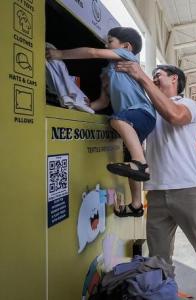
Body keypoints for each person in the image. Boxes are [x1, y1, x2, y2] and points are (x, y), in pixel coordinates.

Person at [115, 62, 196, 276]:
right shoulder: (147, 109)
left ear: (174, 79)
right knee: (157, 261)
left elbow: (175, 117)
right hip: (156, 192)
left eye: (158, 74)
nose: (153, 77)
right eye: (151, 74)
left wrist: (141, 77)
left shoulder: (186, 103)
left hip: (187, 190)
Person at [46, 27, 156, 218]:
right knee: (131, 157)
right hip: (132, 121)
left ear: (126, 46)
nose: (105, 45)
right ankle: (136, 205)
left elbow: (93, 52)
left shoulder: (126, 58)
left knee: (117, 119)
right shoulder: (107, 73)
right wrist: (85, 106)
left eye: (110, 41)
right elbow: (104, 102)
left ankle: (141, 164)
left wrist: (59, 54)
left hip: (142, 113)